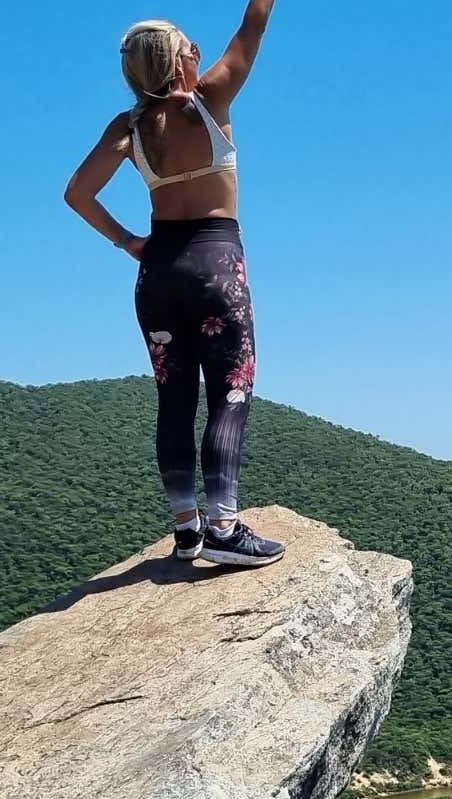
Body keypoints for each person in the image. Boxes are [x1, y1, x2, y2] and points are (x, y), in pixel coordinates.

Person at [65, 1, 286, 567]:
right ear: (178, 61)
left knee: (175, 397)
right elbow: (254, 23)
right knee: (230, 392)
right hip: (216, 263)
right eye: (192, 47)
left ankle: (187, 529)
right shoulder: (209, 99)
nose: (199, 52)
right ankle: (224, 528)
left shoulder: (129, 126)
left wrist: (128, 242)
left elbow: (78, 194)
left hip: (158, 270)